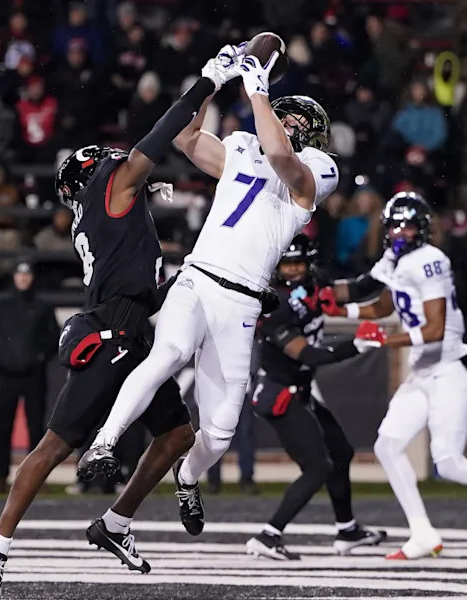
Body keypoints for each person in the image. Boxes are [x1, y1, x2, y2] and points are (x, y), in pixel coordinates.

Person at [0, 43, 246, 600]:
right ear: (95, 176)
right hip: (114, 336)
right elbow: (160, 135)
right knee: (53, 447)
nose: (119, 165)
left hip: (137, 328)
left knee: (177, 434)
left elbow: (140, 268)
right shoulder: (110, 187)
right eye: (109, 163)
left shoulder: (104, 207)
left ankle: (116, 523)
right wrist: (208, 83)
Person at [79, 47, 340, 544]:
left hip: (242, 302)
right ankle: (104, 443)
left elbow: (285, 160)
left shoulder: (318, 167)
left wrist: (259, 91)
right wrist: (210, 82)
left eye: (287, 118)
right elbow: (187, 137)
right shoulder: (243, 146)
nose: (278, 121)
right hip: (198, 279)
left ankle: (187, 476)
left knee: (219, 431)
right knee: (169, 353)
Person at [321, 192, 467, 559]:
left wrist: (384, 338)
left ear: (423, 230)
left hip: (449, 369)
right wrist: (327, 296)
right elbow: (380, 297)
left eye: (409, 226)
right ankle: (422, 532)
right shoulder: (393, 259)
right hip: (423, 370)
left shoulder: (431, 260)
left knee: (448, 463)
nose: (401, 234)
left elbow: (434, 329)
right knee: (388, 446)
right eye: (395, 226)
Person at [246, 235, 386, 560]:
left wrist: (390, 265)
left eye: (297, 263)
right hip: (280, 393)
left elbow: (357, 288)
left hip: (302, 390)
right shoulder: (274, 303)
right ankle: (269, 535)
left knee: (341, 452)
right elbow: (307, 355)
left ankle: (347, 530)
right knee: (317, 468)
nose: (292, 270)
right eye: (286, 264)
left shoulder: (315, 282)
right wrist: (355, 347)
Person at [0, 261, 60, 493]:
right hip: (7, 374)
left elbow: (54, 337)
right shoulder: (0, 305)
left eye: (27, 275)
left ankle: (36, 477)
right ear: (14, 277)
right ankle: (0, 475)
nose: (24, 279)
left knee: (35, 427)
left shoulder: (42, 306)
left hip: (33, 375)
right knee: (3, 427)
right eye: (20, 274)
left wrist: (39, 357)